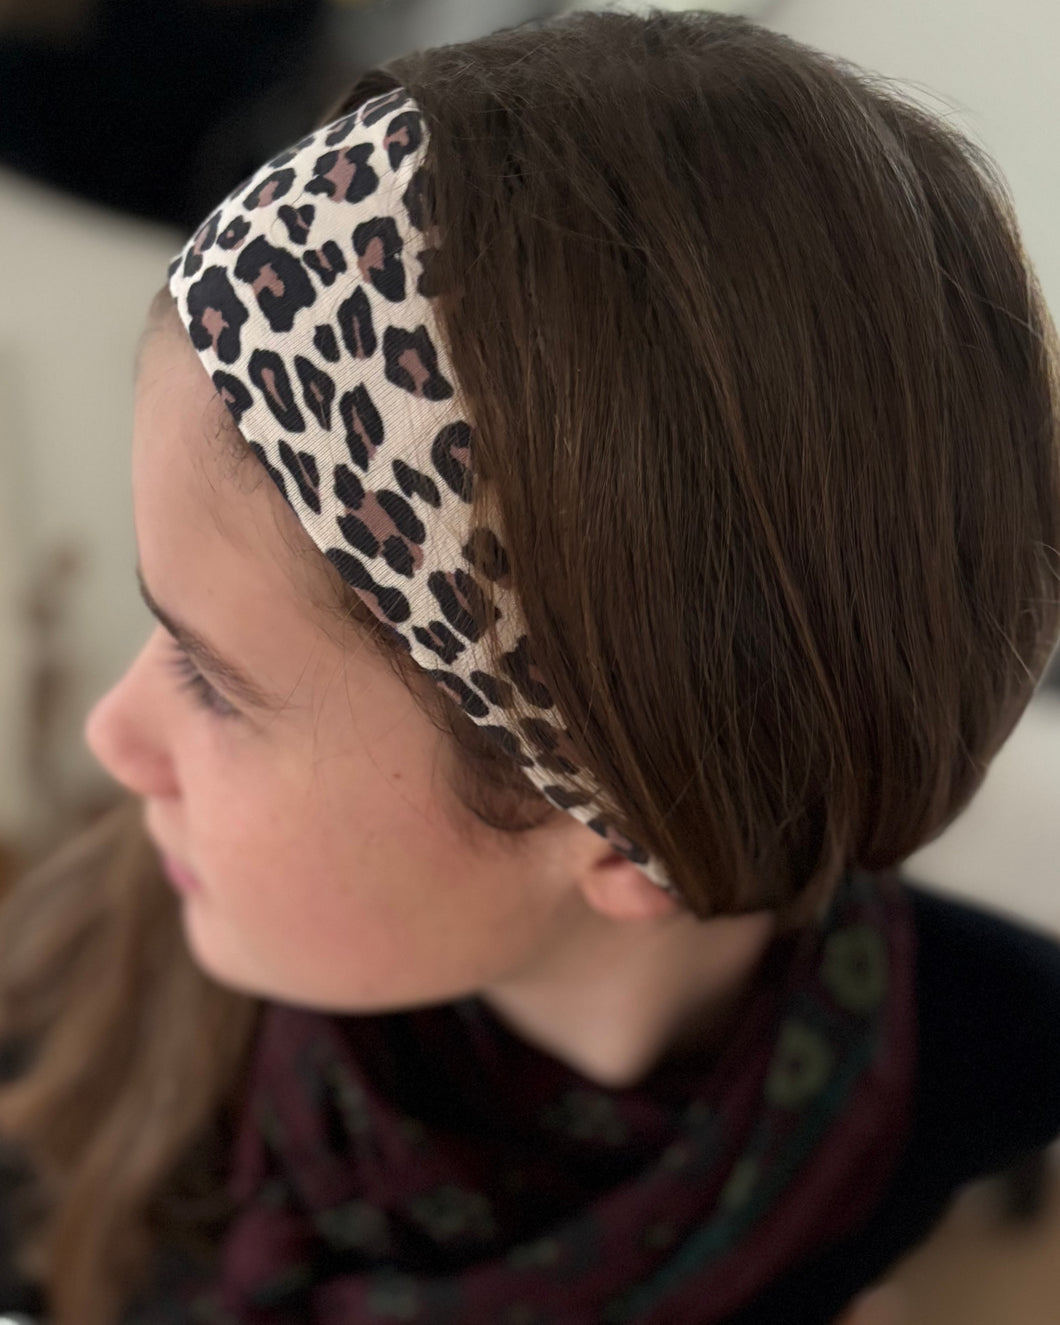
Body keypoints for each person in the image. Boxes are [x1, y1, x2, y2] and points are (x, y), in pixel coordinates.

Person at [0, 8, 1058, 1324]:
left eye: (216, 682)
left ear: (625, 838)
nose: (114, 733)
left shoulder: (978, 1043)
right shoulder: (63, 1020)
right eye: (167, 626)